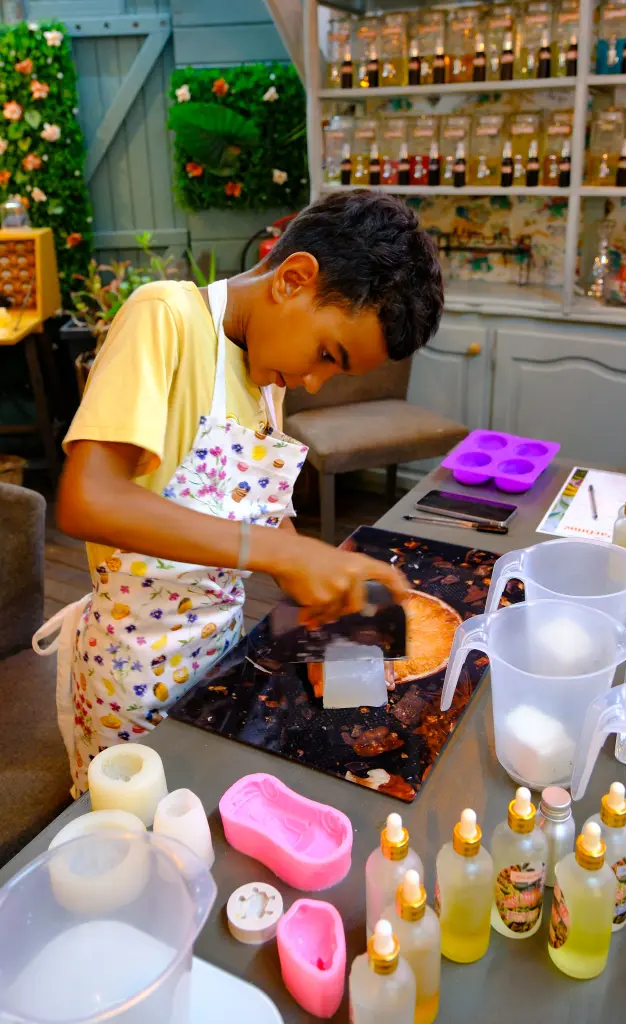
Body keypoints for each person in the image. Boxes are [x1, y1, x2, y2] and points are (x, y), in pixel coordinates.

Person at [38, 190, 444, 794]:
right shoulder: (166, 318)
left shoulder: (264, 378)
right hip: (134, 674)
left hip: (221, 657)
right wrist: (286, 555)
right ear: (294, 279)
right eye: (327, 355)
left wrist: (325, 575)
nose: (313, 380)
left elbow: (262, 514)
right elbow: (90, 498)